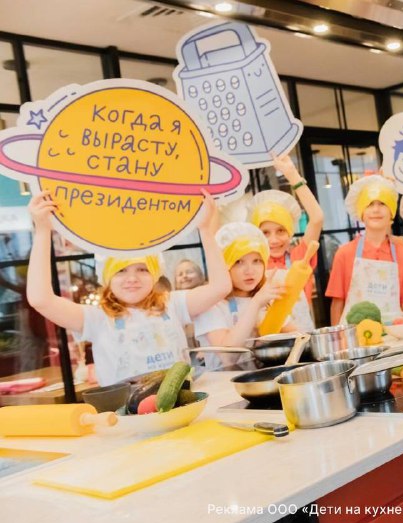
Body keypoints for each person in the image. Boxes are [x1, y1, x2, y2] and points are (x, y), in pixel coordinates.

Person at [27, 190, 231, 386]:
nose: (132, 278)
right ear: (107, 278)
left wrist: (205, 230)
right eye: (121, 271)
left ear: (154, 274)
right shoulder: (96, 318)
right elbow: (40, 299)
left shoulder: (173, 304)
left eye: (142, 269)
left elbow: (220, 287)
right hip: (123, 409)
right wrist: (43, 232)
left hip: (181, 403)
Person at [326, 173, 403, 325]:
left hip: (394, 334)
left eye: (382, 204)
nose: (376, 210)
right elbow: (337, 303)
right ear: (361, 213)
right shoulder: (344, 254)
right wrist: (337, 337)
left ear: (391, 213)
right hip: (354, 335)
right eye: (369, 204)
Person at [192, 222, 289, 370]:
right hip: (224, 383)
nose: (249, 271)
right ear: (224, 265)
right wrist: (256, 303)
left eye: (256, 261)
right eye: (238, 262)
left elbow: (296, 336)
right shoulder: (210, 305)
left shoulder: (266, 298)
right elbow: (228, 357)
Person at [249, 154, 323, 331]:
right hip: (269, 343)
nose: (273, 240)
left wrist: (292, 175)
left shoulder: (300, 257)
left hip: (304, 338)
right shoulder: (251, 266)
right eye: (265, 233)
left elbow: (317, 218)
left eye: (281, 231)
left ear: (290, 233)